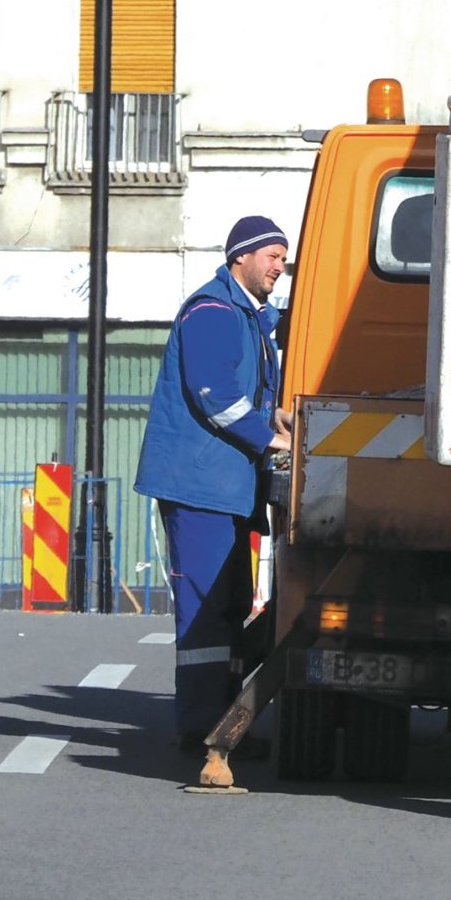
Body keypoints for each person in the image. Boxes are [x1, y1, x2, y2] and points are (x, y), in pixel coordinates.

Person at [138, 217, 292, 757]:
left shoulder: (247, 316)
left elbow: (245, 393)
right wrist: (268, 438)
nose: (280, 266)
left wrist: (274, 419)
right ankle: (203, 729)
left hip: (224, 487)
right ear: (240, 257)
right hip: (200, 486)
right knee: (207, 612)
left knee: (227, 608)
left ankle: (223, 724)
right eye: (272, 255)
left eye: (283, 257)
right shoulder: (213, 311)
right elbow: (215, 394)